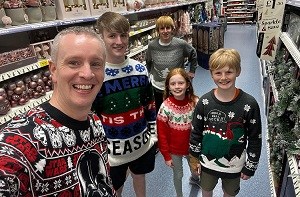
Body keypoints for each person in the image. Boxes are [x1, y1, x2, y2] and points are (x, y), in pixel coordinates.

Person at [0, 26, 116, 196]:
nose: (87, 73)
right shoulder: (19, 142)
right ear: (53, 70)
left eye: (96, 64)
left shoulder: (94, 122)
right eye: (74, 62)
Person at [93, 12, 157, 197]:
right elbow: (92, 117)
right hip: (112, 154)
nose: (119, 41)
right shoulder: (97, 75)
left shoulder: (140, 69)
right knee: (114, 189)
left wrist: (152, 136)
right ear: (101, 37)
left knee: (140, 178)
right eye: (112, 35)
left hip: (141, 144)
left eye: (123, 35)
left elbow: (149, 106)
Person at [189, 48, 262, 197]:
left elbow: (255, 138)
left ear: (238, 71)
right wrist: (193, 158)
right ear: (211, 74)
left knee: (229, 193)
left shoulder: (249, 104)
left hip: (234, 167)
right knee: (206, 190)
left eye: (229, 72)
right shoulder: (204, 102)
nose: (223, 77)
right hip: (207, 164)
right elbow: (195, 132)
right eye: (218, 73)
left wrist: (251, 165)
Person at [156, 68, 200, 197]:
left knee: (195, 169)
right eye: (173, 84)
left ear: (187, 85)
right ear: (168, 87)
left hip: (193, 147)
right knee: (178, 175)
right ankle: (179, 195)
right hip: (174, 149)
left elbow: (201, 126)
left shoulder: (195, 103)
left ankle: (195, 179)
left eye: (180, 83)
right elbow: (162, 133)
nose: (177, 87)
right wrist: (166, 155)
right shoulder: (165, 107)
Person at [145, 15, 198, 113]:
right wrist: (150, 74)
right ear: (158, 30)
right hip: (158, 86)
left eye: (168, 28)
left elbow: (193, 54)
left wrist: (192, 71)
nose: (165, 31)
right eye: (162, 28)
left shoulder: (180, 44)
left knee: (178, 111)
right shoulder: (152, 46)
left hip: (177, 87)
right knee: (161, 111)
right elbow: (148, 61)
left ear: (172, 29)